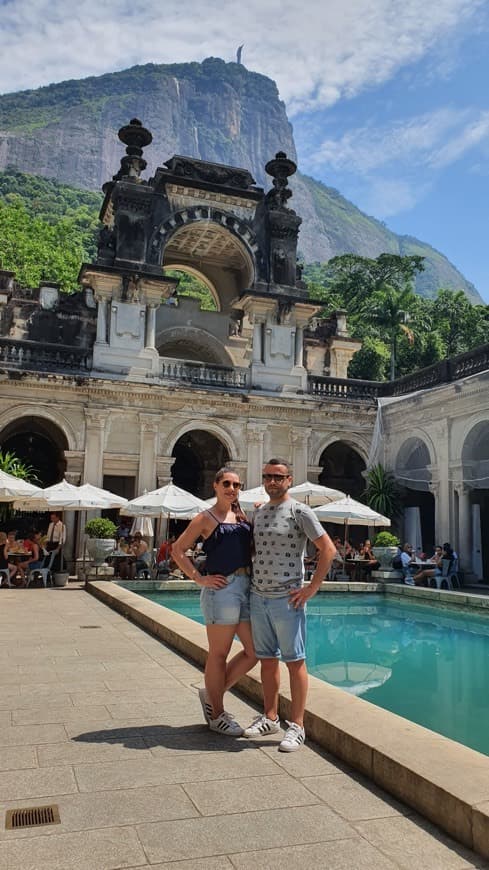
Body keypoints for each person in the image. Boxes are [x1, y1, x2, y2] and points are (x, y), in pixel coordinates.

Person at [243, 458, 336, 751]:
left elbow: (328, 549)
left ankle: (297, 726)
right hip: (259, 597)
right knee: (268, 660)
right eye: (268, 476)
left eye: (278, 477)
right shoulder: (258, 513)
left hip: (287, 599)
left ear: (289, 480)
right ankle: (270, 717)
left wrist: (311, 588)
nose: (272, 481)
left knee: (295, 662)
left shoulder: (300, 511)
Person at [172, 467, 256, 737]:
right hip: (222, 589)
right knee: (219, 654)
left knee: (255, 651)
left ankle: (211, 695)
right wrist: (198, 578)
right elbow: (177, 550)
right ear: (216, 486)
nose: (232, 488)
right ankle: (217, 714)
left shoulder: (241, 515)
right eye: (227, 484)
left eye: (237, 485)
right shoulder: (205, 518)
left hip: (245, 587)